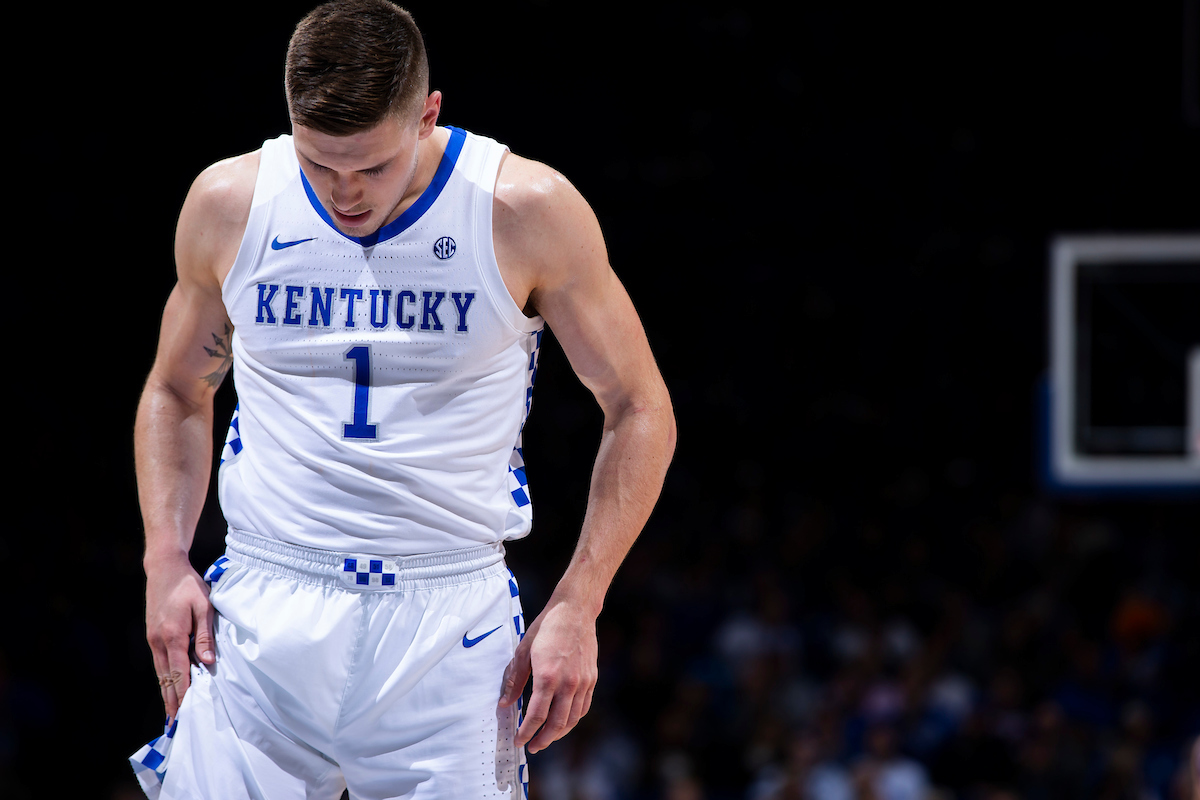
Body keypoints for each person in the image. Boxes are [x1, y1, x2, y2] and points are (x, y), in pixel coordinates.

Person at [128, 1, 676, 797]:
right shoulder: (229, 204)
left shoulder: (524, 209)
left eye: (373, 167)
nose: (345, 193)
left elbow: (639, 405)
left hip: (446, 631)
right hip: (262, 612)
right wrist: (164, 558)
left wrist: (580, 599)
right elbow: (177, 388)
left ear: (428, 115)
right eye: (320, 165)